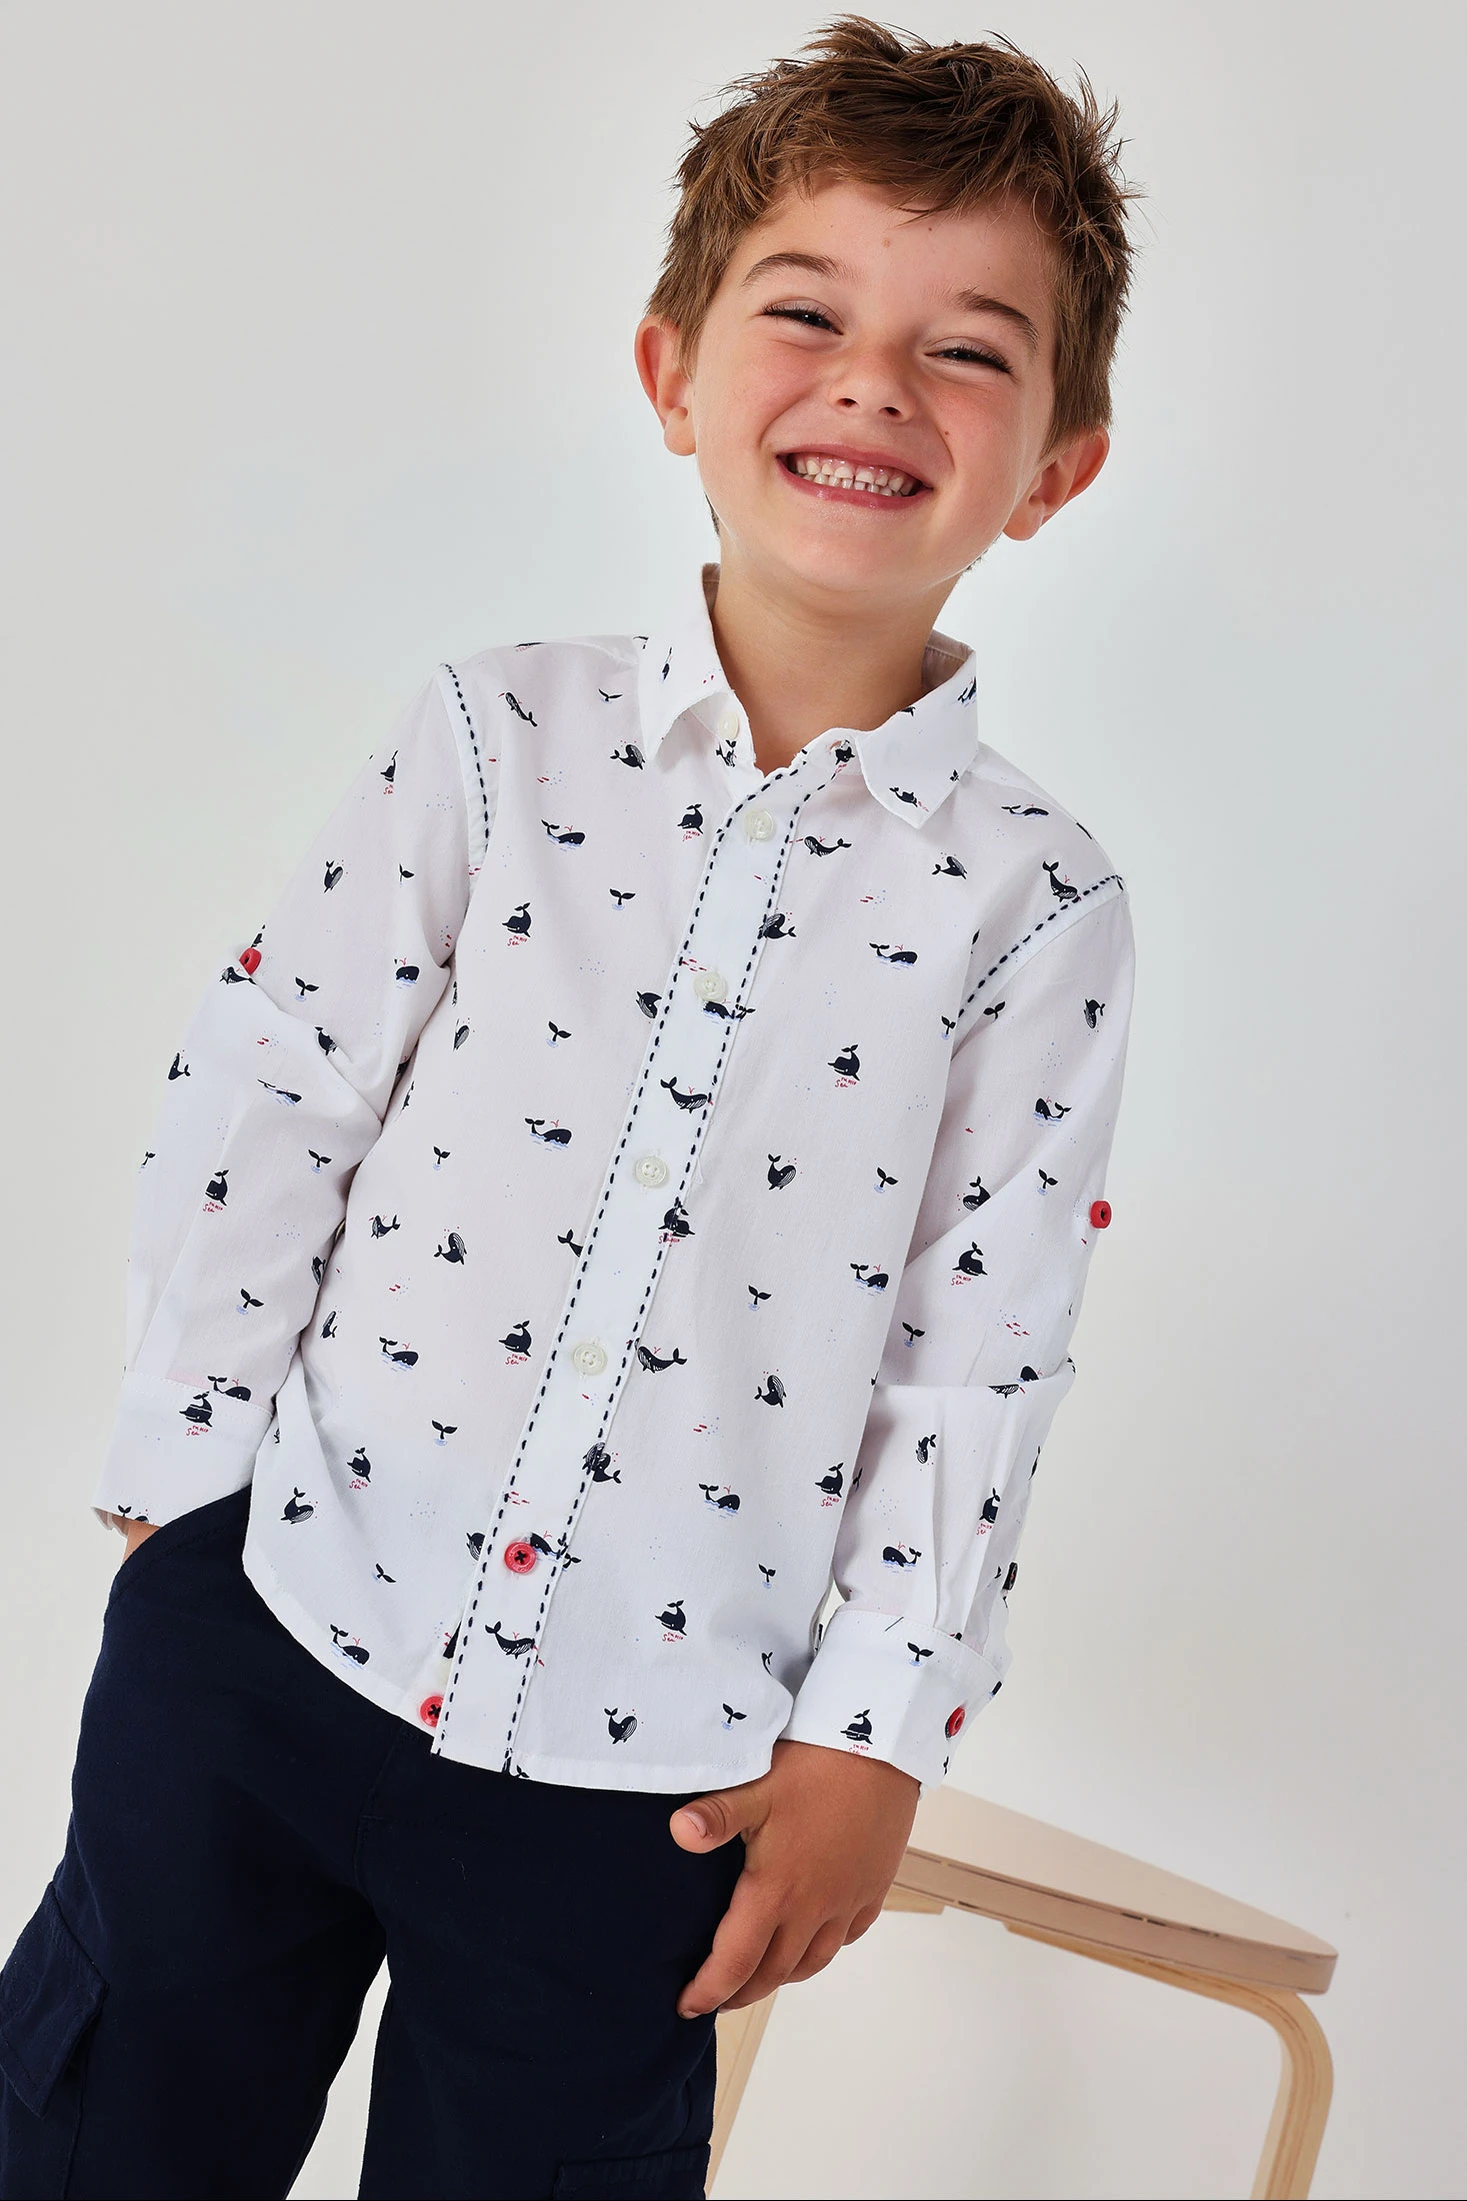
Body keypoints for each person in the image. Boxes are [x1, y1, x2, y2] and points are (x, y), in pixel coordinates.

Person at [0, 17, 1141, 2199]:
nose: (873, 387)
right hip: (273, 1620)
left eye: (963, 350)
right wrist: (181, 1499)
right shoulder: (494, 735)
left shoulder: (1037, 907)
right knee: (101, 2128)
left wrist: (872, 1731)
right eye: (805, 314)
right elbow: (278, 1089)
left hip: (656, 1780)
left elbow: (977, 1351)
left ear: (1053, 467)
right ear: (670, 374)